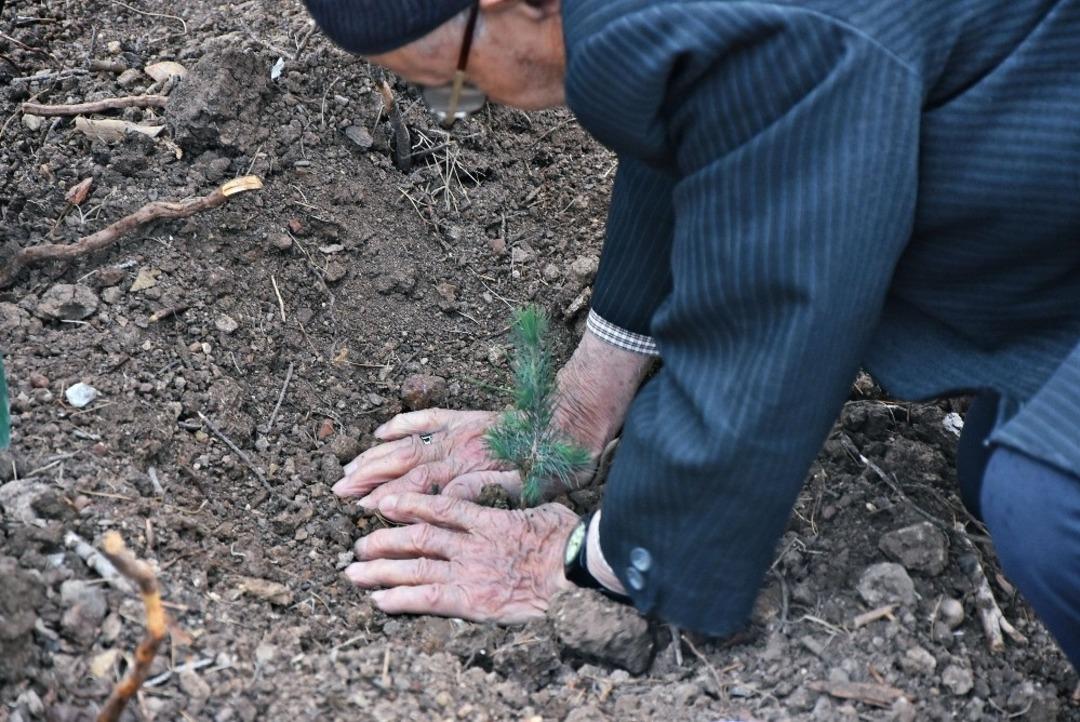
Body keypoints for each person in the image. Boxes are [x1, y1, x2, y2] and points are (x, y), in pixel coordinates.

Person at [302, 0, 1080, 668]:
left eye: (459, 85)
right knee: (991, 464)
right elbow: (701, 109)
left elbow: (777, 304)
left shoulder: (774, 31)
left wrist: (599, 559)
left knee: (1043, 504)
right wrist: (582, 400)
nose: (471, 104)